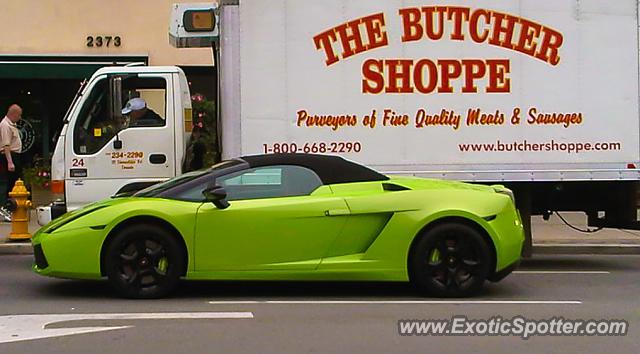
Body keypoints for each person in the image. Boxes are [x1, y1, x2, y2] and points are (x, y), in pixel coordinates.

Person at [0, 104, 23, 221]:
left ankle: (11, 208)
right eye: (19, 115)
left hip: (15, 156)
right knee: (10, 184)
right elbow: (6, 145)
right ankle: (6, 209)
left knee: (15, 184)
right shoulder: (5, 125)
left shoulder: (12, 125)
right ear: (13, 114)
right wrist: (10, 162)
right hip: (9, 156)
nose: (19, 118)